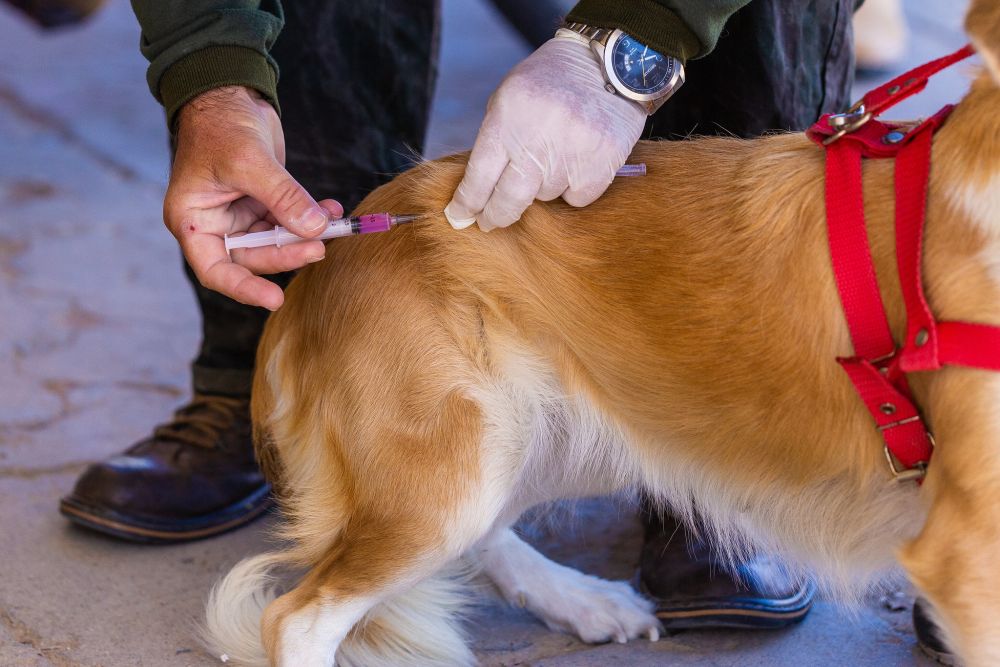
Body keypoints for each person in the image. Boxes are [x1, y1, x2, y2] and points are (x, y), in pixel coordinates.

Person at [59, 0, 894, 641]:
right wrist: (213, 75)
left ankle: (715, 471)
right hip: (354, 288)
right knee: (370, 289)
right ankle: (309, 403)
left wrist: (625, 46)